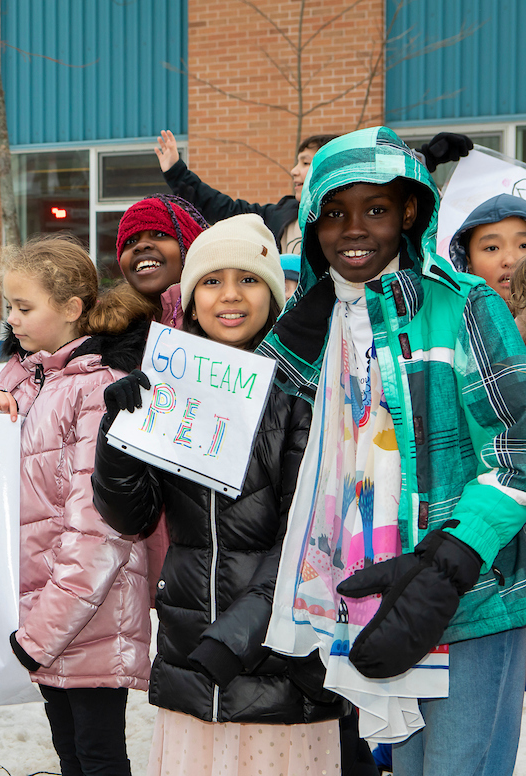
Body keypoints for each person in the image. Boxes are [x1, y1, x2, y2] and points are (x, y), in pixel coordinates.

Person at [257, 127, 526, 776]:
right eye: (334, 212)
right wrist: (150, 411)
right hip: (370, 603)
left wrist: (449, 563)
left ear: (409, 212)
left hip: (471, 598)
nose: (354, 229)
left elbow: (516, 446)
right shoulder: (312, 327)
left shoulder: (462, 307)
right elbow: (255, 448)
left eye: (375, 209)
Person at [93, 214, 347, 775]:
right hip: (193, 665)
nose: (229, 296)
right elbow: (130, 517)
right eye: (211, 281)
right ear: (189, 295)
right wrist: (118, 441)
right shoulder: (172, 384)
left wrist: (233, 640)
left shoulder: (303, 394)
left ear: (274, 294)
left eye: (249, 279)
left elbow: (307, 537)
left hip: (278, 669)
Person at [0, 234, 153, 776]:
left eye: (25, 308)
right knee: (70, 753)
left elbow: (98, 531)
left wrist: (42, 633)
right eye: (9, 306)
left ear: (73, 309)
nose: (13, 320)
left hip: (89, 614)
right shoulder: (30, 376)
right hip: (48, 609)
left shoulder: (97, 389)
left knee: (97, 756)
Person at [154, 129, 474, 254]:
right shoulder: (278, 215)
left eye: (305, 163)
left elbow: (385, 179)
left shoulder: (365, 217)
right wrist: (176, 171)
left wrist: (423, 159)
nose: (294, 170)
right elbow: (220, 208)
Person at [114, 194, 208, 328]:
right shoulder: (106, 328)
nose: (141, 246)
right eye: (131, 241)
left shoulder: (217, 318)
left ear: (190, 249)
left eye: (160, 234)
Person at [447, 193, 526, 308]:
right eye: (492, 248)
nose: (510, 261)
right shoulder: (451, 321)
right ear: (468, 261)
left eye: (524, 246)